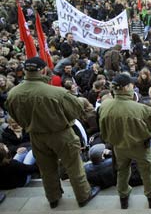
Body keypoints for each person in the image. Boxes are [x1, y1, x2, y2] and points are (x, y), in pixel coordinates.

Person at [5, 57, 100, 208]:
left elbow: (15, 116)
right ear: (43, 70)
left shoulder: (13, 93)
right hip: (61, 133)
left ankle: (53, 198)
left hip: (36, 136)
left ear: (25, 71)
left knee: (46, 169)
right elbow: (75, 111)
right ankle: (83, 195)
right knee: (74, 166)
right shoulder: (57, 92)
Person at [99, 73, 151, 209]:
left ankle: (123, 196)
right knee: (147, 171)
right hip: (140, 146)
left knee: (122, 170)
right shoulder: (142, 109)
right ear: (127, 87)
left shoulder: (105, 105)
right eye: (131, 84)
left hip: (118, 146)